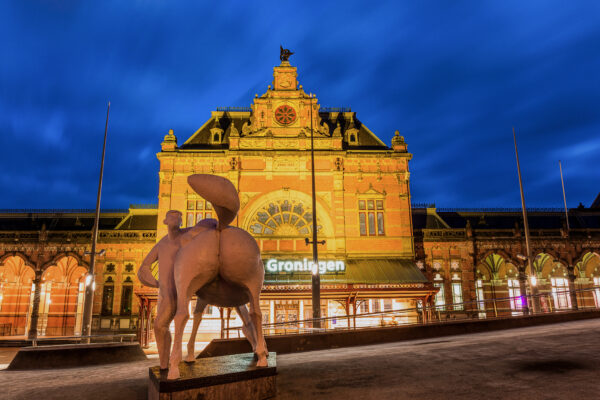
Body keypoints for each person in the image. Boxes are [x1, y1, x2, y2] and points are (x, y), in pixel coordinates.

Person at [137, 210, 216, 369]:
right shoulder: (162, 244)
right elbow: (143, 268)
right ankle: (164, 364)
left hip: (183, 287)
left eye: (179, 217)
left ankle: (169, 363)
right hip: (167, 292)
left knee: (163, 323)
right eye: (173, 216)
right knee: (159, 326)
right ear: (165, 221)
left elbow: (210, 222)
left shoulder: (187, 236)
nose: (178, 219)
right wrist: (156, 283)